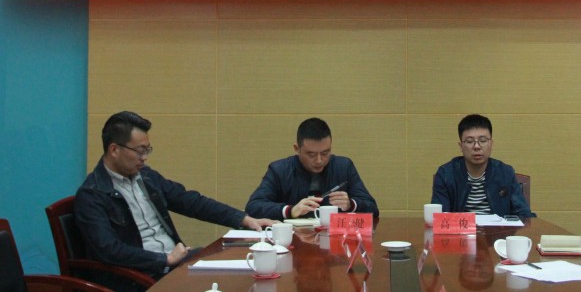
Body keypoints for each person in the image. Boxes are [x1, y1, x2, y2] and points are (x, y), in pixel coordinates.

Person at [74, 111, 277, 292]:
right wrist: (164, 259)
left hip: (172, 265)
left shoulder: (146, 177)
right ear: (114, 150)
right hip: (139, 276)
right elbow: (108, 249)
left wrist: (244, 219)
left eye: (147, 150)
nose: (144, 158)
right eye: (140, 151)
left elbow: (190, 202)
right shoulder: (92, 194)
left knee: (246, 272)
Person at [245, 117, 379, 220]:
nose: (319, 160)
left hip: (334, 240)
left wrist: (351, 204)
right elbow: (253, 207)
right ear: (297, 149)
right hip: (294, 240)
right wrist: (290, 210)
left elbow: (372, 208)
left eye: (325, 153)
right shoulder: (280, 170)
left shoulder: (343, 166)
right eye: (311, 154)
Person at [432, 114, 533, 218]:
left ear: (491, 143)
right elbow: (440, 218)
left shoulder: (506, 173)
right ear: (461, 146)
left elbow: (524, 215)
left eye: (483, 141)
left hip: (499, 229)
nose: (477, 146)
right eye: (470, 141)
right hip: (460, 229)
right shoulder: (446, 174)